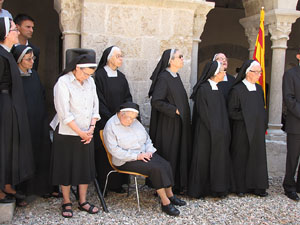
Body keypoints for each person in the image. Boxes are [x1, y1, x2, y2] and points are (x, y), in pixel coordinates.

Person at [103, 102, 186, 216]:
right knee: (156, 169)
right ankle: (165, 202)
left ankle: (170, 195)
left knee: (166, 164)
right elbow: (115, 151)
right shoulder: (111, 126)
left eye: (134, 118)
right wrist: (137, 156)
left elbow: (146, 139)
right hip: (125, 160)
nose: (132, 121)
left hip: (143, 153)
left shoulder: (133, 121)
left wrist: (149, 151)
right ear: (121, 115)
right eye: (129, 118)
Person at [50, 54, 100, 218]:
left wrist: (91, 128)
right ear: (77, 68)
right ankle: (66, 201)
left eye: (89, 75)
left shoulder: (90, 82)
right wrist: (81, 133)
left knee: (83, 167)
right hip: (67, 132)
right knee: (66, 168)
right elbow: (64, 113)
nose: (87, 77)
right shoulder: (63, 83)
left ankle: (83, 200)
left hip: (87, 132)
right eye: (85, 73)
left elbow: (95, 106)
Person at [0, 17, 34, 205]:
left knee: (8, 147)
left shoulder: (7, 53)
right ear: (5, 34)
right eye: (14, 29)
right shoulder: (0, 55)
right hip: (4, 105)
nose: (18, 32)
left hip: (9, 106)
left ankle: (6, 183)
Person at [148, 49, 191, 194]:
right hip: (167, 125)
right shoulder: (164, 78)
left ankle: (175, 186)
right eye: (180, 57)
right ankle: (164, 188)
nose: (182, 59)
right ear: (170, 61)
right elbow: (156, 101)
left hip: (177, 124)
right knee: (169, 153)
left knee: (177, 153)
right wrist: (175, 110)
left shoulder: (175, 76)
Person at [11, 45, 52, 198]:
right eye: (28, 59)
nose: (32, 62)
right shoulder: (14, 78)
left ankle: (42, 189)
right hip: (23, 123)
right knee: (23, 157)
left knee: (41, 154)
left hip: (38, 122)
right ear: (19, 60)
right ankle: (23, 192)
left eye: (33, 58)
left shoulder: (34, 75)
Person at [188, 61, 231, 198]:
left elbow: (222, 112)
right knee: (203, 160)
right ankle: (199, 190)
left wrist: (223, 129)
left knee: (217, 160)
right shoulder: (203, 89)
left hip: (218, 133)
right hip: (205, 132)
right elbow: (203, 112)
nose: (224, 73)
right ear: (215, 73)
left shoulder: (217, 88)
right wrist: (214, 129)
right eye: (222, 71)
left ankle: (216, 189)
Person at [228, 59, 269, 197]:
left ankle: (258, 186)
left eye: (260, 72)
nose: (259, 75)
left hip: (257, 130)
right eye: (256, 72)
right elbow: (232, 112)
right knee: (241, 157)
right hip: (242, 130)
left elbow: (262, 109)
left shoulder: (259, 89)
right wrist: (248, 116)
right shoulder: (237, 90)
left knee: (257, 157)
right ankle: (240, 187)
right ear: (247, 73)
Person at [94, 46, 132, 193]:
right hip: (105, 121)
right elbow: (99, 100)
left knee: (120, 151)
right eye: (118, 56)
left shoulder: (122, 77)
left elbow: (127, 97)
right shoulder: (99, 76)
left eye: (121, 56)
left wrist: (126, 116)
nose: (121, 59)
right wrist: (111, 119)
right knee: (105, 153)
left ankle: (118, 184)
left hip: (121, 123)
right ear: (109, 58)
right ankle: (104, 185)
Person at [282, 49, 300, 201]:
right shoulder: (291, 75)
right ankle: (289, 186)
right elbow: (289, 99)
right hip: (296, 124)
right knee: (293, 157)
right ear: (299, 56)